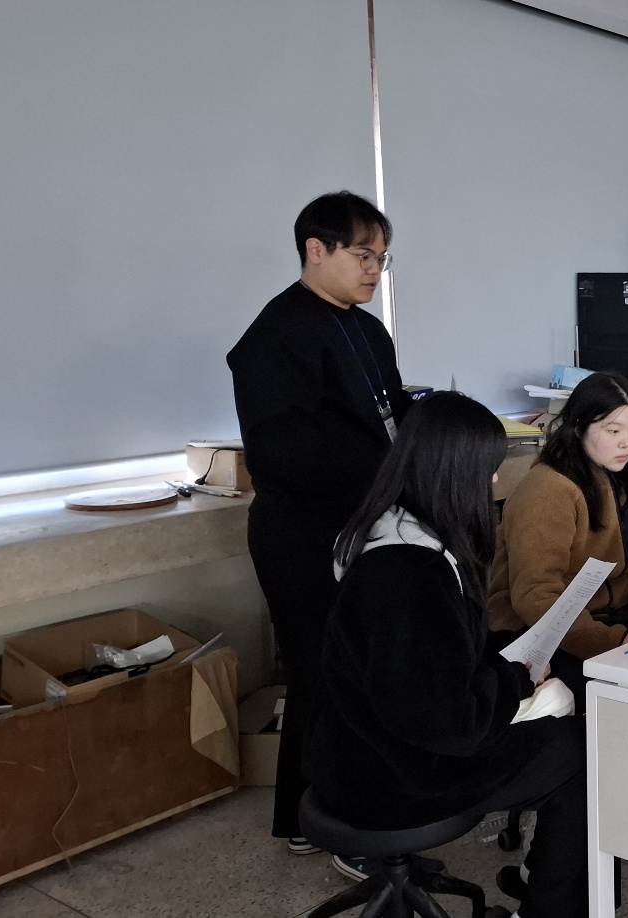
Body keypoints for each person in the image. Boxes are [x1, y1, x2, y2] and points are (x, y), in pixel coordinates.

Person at [305, 392, 586, 918]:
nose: (495, 481)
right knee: (575, 752)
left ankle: (544, 882)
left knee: (559, 725)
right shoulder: (411, 575)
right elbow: (447, 722)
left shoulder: (389, 530)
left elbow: (433, 664)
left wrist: (508, 667)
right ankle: (550, 907)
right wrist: (518, 680)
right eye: (488, 469)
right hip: (393, 778)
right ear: (454, 473)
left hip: (355, 752)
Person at [227, 191, 407, 852]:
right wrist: (385, 471)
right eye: (363, 255)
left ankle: (352, 804)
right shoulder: (275, 336)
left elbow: (392, 412)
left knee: (365, 667)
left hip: (368, 523)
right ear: (316, 250)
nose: (374, 270)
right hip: (304, 534)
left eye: (382, 258)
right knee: (321, 672)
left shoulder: (366, 329)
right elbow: (284, 452)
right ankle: (314, 819)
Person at [487, 372, 628, 699]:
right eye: (613, 431)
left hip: (617, 619)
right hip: (544, 632)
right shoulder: (548, 490)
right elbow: (536, 593)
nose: (627, 442)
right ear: (578, 429)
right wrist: (607, 641)